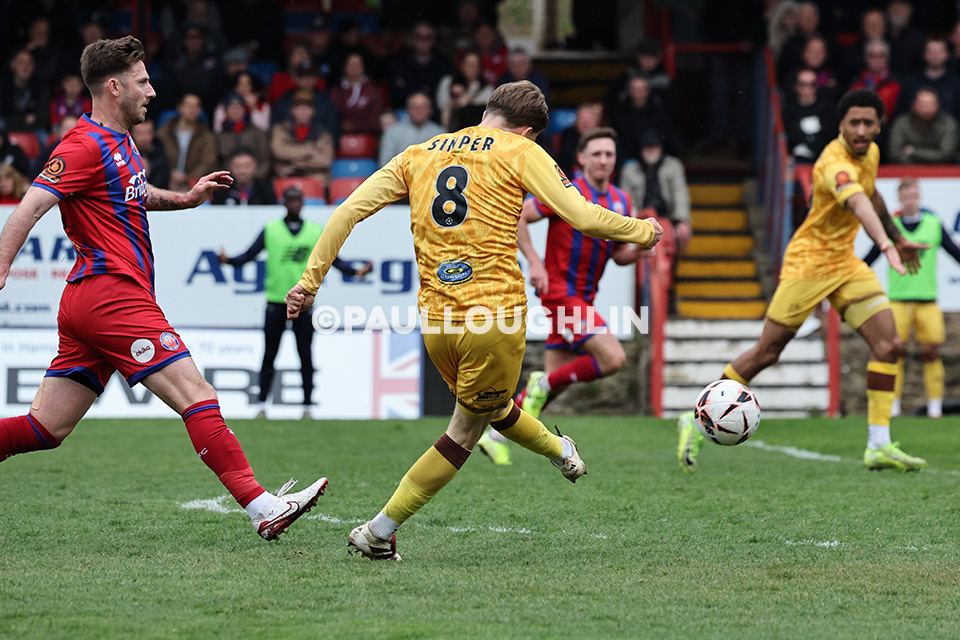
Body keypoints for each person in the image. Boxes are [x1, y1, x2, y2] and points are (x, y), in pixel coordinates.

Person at [284, 81, 662, 560]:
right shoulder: (520, 151)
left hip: (437, 321)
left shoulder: (419, 152)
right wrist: (643, 230)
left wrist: (309, 283)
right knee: (467, 429)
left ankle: (561, 451)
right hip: (495, 318)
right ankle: (379, 532)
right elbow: (582, 216)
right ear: (527, 130)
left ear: (489, 110)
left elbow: (347, 211)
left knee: (492, 407)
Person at [0, 36, 327, 539]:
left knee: (47, 429)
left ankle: (262, 505)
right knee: (196, 392)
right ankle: (263, 506)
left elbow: (135, 193)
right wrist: (1, 269)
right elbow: (29, 206)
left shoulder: (122, 142)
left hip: (93, 301)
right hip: (112, 294)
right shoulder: (82, 144)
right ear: (114, 87)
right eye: (142, 81)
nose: (152, 90)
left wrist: (187, 197)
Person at [677, 89, 929, 474]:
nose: (861, 130)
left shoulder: (872, 154)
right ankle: (695, 417)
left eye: (868, 123)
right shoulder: (834, 163)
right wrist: (883, 242)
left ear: (880, 125)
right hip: (807, 265)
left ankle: (878, 445)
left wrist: (897, 237)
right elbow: (859, 203)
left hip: (844, 264)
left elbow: (873, 195)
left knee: (889, 344)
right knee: (767, 352)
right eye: (854, 123)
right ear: (841, 125)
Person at [489, 127, 646, 466]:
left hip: (585, 297)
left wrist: (640, 253)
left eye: (609, 154)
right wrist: (534, 262)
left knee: (550, 391)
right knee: (613, 358)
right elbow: (519, 217)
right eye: (597, 154)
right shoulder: (566, 192)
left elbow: (619, 255)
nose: (603, 160)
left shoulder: (622, 200)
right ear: (582, 158)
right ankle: (540, 384)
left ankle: (494, 436)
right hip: (560, 292)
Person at [219, 185, 371, 418]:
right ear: (284, 203)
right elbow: (249, 255)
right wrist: (228, 260)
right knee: (270, 353)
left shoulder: (313, 231)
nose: (294, 204)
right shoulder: (271, 230)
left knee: (306, 354)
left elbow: (333, 260)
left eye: (297, 200)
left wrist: (356, 271)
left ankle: (307, 406)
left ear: (302, 203)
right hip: (276, 301)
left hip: (303, 302)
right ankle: (261, 405)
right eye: (290, 200)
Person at [863, 178, 960, 418]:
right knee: (895, 351)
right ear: (900, 198)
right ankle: (893, 404)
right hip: (898, 299)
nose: (910, 199)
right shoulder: (892, 226)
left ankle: (935, 404)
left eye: (913, 194)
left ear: (919, 196)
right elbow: (871, 256)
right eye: (906, 195)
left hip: (927, 299)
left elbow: (954, 252)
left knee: (931, 351)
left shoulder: (933, 223)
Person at [620, 129, 693, 256]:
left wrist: (681, 221)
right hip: (640, 220)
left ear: (661, 148)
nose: (651, 150)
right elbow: (626, 202)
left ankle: (671, 269)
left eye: (654, 147)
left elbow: (680, 194)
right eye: (647, 147)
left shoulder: (673, 166)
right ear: (641, 150)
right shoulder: (629, 170)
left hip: (667, 220)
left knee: (681, 232)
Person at [270, 89, 335, 184]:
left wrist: (294, 162)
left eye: (307, 107)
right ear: (292, 110)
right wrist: (309, 150)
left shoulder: (323, 133)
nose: (303, 111)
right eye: (299, 107)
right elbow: (279, 152)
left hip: (314, 178)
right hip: (286, 176)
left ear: (313, 111)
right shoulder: (280, 129)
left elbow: (325, 161)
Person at [157, 93, 218, 192]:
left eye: (196, 106)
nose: (192, 110)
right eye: (189, 106)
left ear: (200, 110)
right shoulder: (164, 133)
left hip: (194, 184)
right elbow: (158, 157)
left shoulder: (207, 136)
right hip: (165, 182)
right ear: (180, 107)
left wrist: (187, 177)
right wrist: (169, 173)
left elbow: (208, 162)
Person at [782, 67, 840, 163]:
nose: (807, 89)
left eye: (811, 85)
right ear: (796, 86)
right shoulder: (788, 111)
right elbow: (790, 138)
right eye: (802, 85)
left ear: (817, 86)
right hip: (797, 162)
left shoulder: (828, 108)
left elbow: (832, 137)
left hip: (825, 160)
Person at [895, 38, 960, 122]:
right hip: (914, 132)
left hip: (950, 133)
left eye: (939, 52)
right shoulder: (911, 82)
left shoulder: (957, 83)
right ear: (924, 54)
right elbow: (900, 116)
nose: (935, 55)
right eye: (931, 52)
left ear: (947, 54)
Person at [888, 87, 959, 164]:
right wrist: (916, 167)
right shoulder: (901, 123)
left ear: (937, 105)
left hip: (941, 172)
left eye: (929, 105)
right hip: (908, 170)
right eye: (922, 104)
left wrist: (913, 152)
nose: (926, 109)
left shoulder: (948, 123)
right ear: (913, 105)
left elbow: (947, 155)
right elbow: (894, 153)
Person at [377, 92, 445, 167]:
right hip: (401, 177)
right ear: (408, 109)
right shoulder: (392, 133)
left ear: (430, 110)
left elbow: (444, 163)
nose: (419, 111)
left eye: (423, 107)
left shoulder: (441, 134)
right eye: (415, 107)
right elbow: (384, 165)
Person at [214, 92, 271, 179]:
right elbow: (215, 163)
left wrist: (256, 179)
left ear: (244, 110)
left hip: (256, 180)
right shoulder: (219, 137)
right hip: (227, 182)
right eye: (232, 108)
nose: (235, 111)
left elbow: (265, 160)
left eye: (238, 108)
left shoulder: (258, 133)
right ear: (226, 111)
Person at [329, 53, 384, 136]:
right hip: (340, 134)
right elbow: (332, 115)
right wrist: (341, 125)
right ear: (345, 67)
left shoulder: (373, 91)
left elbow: (375, 119)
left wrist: (355, 126)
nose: (355, 67)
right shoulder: (336, 91)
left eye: (358, 64)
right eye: (351, 64)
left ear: (363, 67)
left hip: (366, 135)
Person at [849, 40, 901, 125]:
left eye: (881, 56)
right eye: (872, 56)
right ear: (865, 58)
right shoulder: (856, 83)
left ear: (887, 58)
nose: (876, 60)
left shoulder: (897, 83)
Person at [211, 147, 276, 205]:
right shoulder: (221, 190)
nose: (242, 171)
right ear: (230, 167)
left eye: (247, 166)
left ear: (255, 166)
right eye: (237, 166)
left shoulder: (266, 190)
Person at [130, 118, 171, 190]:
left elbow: (161, 187)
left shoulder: (162, 154)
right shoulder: (124, 154)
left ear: (154, 134)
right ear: (131, 134)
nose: (143, 138)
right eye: (138, 133)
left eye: (148, 133)